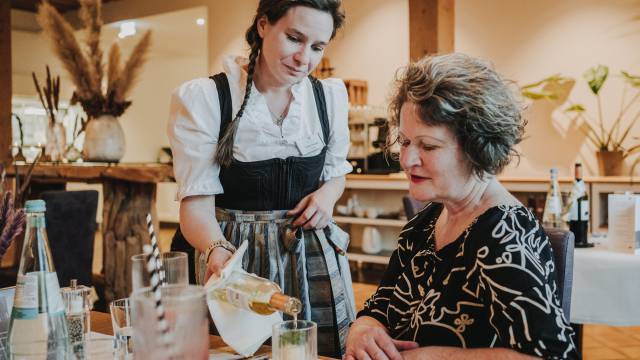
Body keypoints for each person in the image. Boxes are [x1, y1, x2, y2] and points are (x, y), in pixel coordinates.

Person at [345, 53, 578, 360]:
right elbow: (381, 305)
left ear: (477, 149)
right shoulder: (424, 223)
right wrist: (363, 329)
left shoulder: (505, 236)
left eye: (428, 146)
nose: (407, 160)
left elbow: (554, 356)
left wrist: (433, 357)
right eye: (403, 142)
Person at [166, 0, 355, 357]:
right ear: (264, 26)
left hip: (310, 256)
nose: (304, 58)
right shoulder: (210, 98)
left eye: (317, 47)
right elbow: (196, 208)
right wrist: (217, 252)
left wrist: (328, 196)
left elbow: (335, 175)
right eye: (294, 38)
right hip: (234, 261)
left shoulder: (327, 98)